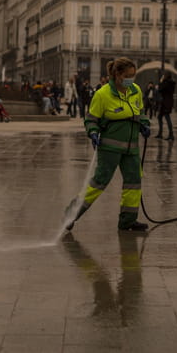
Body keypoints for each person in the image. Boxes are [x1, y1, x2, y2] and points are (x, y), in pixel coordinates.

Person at [66, 57, 149, 232]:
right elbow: (91, 119)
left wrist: (145, 124)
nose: (131, 79)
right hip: (110, 147)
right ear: (117, 75)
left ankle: (128, 221)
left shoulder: (136, 91)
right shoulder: (103, 94)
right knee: (99, 183)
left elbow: (140, 112)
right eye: (128, 76)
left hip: (131, 147)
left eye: (133, 76)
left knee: (133, 183)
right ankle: (71, 214)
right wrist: (93, 133)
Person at [156, 71, 175, 141]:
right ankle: (160, 133)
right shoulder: (170, 82)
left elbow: (160, 89)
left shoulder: (167, 83)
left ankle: (171, 135)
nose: (163, 76)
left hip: (166, 103)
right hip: (166, 102)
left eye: (164, 75)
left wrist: (160, 82)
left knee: (167, 118)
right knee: (160, 117)